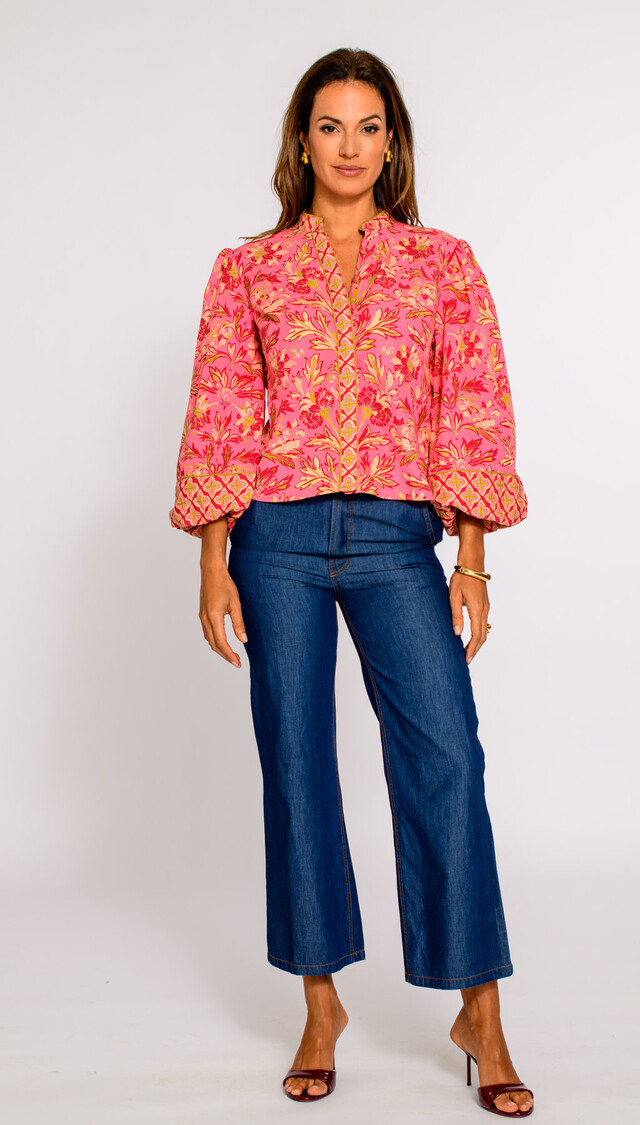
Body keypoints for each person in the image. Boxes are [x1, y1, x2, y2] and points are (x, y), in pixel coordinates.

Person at [169, 47, 534, 1119]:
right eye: (330, 126)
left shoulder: (442, 265)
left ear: (392, 142)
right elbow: (223, 407)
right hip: (273, 539)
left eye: (369, 126)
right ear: (302, 140)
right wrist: (212, 558)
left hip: (393, 536)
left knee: (446, 755)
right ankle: (320, 1003)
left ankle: (481, 1012)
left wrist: (472, 558)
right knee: (297, 764)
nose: (349, 146)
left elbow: (472, 404)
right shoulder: (248, 270)